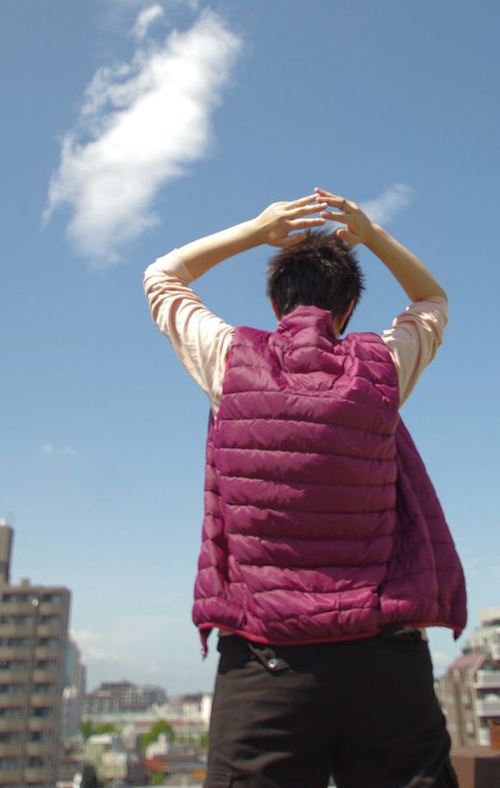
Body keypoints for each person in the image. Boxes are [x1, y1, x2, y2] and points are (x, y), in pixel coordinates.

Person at [144, 189, 466, 788]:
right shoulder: (381, 368)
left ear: (274, 304)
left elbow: (163, 276)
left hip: (266, 660)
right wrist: (372, 235)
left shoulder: (229, 361)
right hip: (384, 657)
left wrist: (258, 228)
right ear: (348, 309)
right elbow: (431, 300)